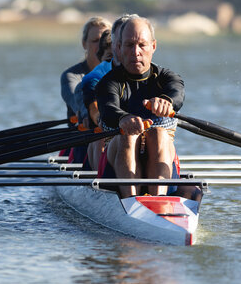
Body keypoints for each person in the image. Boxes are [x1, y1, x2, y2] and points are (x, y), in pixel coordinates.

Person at [96, 16, 184, 198]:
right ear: (119, 48)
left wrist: (167, 102)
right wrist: (123, 119)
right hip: (115, 164)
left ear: (153, 46)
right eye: (129, 45)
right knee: (129, 135)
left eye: (142, 45)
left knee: (158, 134)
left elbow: (177, 94)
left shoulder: (168, 78)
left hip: (161, 154)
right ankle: (132, 202)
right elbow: (108, 109)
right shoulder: (108, 83)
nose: (136, 52)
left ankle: (157, 202)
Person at [75, 14, 135, 170]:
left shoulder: (152, 72)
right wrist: (102, 117)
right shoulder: (97, 76)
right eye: (127, 44)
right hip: (103, 141)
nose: (134, 50)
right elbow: (95, 111)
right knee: (101, 130)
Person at [60, 16, 111, 163]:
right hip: (81, 140)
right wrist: (87, 112)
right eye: (95, 41)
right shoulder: (71, 76)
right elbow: (77, 99)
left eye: (105, 41)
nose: (100, 45)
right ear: (84, 44)